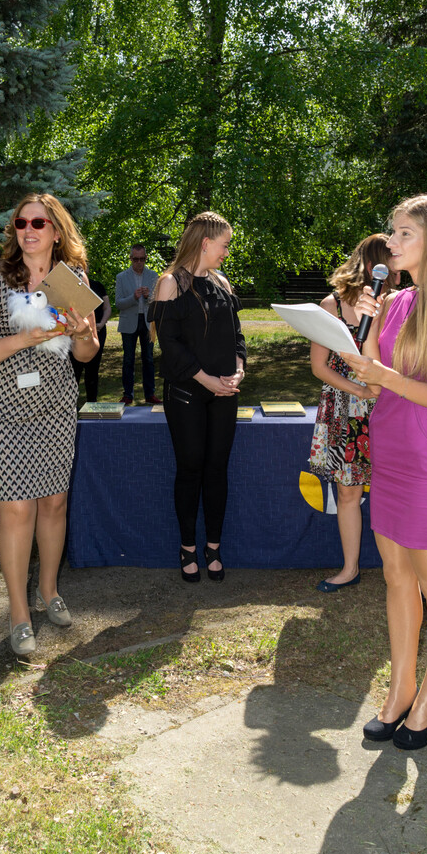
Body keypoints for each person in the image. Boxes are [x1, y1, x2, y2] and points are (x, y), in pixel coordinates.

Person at [344, 194, 427, 750]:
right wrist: (364, 329)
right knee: (396, 577)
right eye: (392, 232)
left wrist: (386, 377)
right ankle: (400, 690)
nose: (392, 242)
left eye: (405, 234)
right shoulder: (395, 300)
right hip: (391, 453)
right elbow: (371, 379)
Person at [0, 193, 99, 655]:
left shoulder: (71, 279)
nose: (28, 230)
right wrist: (24, 339)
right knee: (18, 508)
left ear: (56, 231)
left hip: (55, 406)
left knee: (54, 503)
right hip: (0, 409)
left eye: (38, 223)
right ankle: (19, 613)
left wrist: (84, 333)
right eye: (21, 223)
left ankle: (49, 590)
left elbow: (87, 354)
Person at [148, 212, 246, 583]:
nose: (226, 252)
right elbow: (169, 344)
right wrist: (205, 380)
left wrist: (239, 369)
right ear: (205, 243)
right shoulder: (170, 283)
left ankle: (214, 547)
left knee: (217, 469)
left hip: (224, 392)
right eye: (224, 245)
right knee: (191, 468)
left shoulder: (222, 282)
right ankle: (187, 547)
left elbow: (237, 335)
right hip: (187, 392)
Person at [308, 234, 396, 592]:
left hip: (391, 405)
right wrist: (360, 390)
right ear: (375, 265)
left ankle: (408, 574)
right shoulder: (331, 305)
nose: (398, 272)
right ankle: (350, 569)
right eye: (392, 264)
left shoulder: (398, 303)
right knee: (348, 494)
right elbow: (319, 367)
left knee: (397, 489)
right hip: (345, 409)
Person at [115, 245, 161, 404]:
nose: (139, 262)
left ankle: (150, 395)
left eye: (142, 259)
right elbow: (118, 303)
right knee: (128, 360)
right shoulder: (121, 277)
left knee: (148, 359)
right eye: (136, 259)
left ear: (146, 258)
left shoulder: (153, 276)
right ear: (131, 259)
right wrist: (133, 297)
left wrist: (149, 297)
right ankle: (128, 395)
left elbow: (157, 302)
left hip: (147, 322)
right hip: (129, 323)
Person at [71, 275, 111, 401]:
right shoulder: (70, 283)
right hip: (74, 335)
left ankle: (92, 402)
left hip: (98, 331)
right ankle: (73, 401)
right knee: (75, 370)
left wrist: (101, 324)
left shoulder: (98, 286)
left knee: (93, 369)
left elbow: (107, 307)